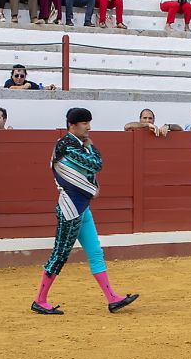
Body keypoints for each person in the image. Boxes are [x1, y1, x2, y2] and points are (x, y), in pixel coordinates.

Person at [32, 107, 138, 316]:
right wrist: (93, 150)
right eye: (84, 123)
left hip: (81, 207)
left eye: (89, 122)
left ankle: (112, 298)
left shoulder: (78, 144)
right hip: (70, 208)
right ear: (72, 125)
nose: (88, 127)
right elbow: (95, 164)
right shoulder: (66, 145)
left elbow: (93, 167)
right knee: (60, 254)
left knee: (95, 252)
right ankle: (40, 300)